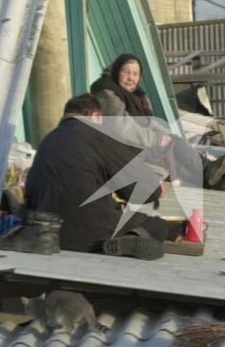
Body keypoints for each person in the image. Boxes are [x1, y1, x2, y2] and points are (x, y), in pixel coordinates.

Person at [22, 94, 167, 252]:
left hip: (45, 234)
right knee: (158, 226)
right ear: (95, 115)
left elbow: (30, 189)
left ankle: (124, 240)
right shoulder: (99, 136)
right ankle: (127, 238)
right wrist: (157, 188)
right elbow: (141, 190)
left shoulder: (48, 140)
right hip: (90, 233)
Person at [88, 53, 225, 190]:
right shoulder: (107, 92)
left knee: (173, 145)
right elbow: (121, 128)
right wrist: (156, 139)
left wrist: (165, 135)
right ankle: (209, 172)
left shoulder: (134, 96)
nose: (130, 78)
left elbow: (148, 122)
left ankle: (213, 179)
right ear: (116, 72)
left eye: (135, 74)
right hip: (115, 151)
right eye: (126, 72)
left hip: (132, 146)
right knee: (169, 151)